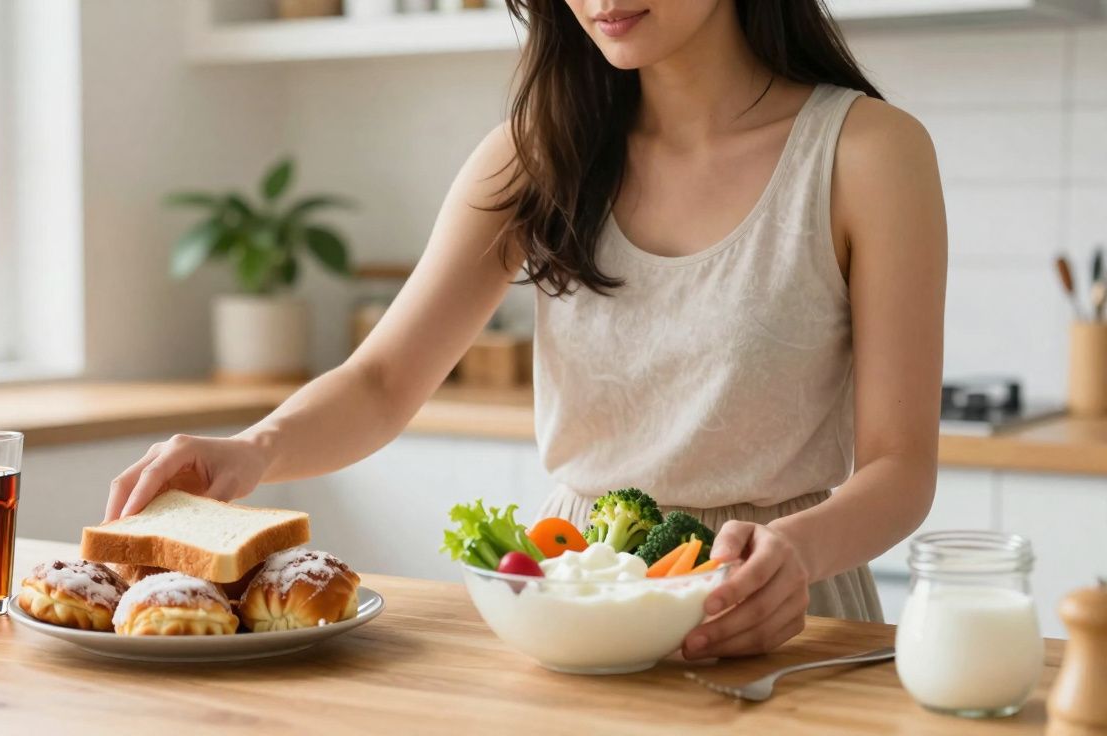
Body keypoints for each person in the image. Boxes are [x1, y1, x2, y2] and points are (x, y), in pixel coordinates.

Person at [106, 0, 946, 660]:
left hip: (775, 607)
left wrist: (795, 551)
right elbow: (383, 382)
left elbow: (899, 468)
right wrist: (254, 448)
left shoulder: (869, 153)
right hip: (570, 600)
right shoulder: (536, 153)